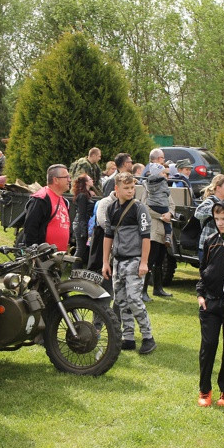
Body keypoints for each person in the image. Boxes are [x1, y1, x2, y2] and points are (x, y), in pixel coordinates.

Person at [102, 172, 155, 354]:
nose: (131, 191)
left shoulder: (139, 208)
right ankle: (129, 337)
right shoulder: (111, 209)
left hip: (134, 260)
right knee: (121, 300)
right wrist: (105, 262)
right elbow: (108, 236)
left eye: (132, 187)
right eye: (126, 188)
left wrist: (144, 262)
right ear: (116, 189)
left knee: (134, 299)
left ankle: (148, 337)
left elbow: (146, 237)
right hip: (118, 261)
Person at [196, 198, 224, 408]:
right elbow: (203, 271)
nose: (220, 222)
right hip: (210, 304)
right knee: (208, 346)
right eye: (217, 218)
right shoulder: (211, 241)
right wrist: (200, 295)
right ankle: (205, 390)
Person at [22, 164, 71, 251]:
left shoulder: (64, 201)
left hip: (58, 257)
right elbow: (30, 228)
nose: (69, 180)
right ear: (56, 180)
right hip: (43, 258)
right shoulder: (41, 199)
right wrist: (35, 255)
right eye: (66, 177)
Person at [194, 175, 224, 262]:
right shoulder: (210, 201)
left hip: (223, 247)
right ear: (218, 188)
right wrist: (217, 209)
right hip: (209, 247)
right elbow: (198, 213)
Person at [144, 148, 173, 247]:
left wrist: (170, 213)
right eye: (164, 173)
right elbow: (145, 206)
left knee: (161, 259)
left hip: (164, 233)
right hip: (153, 231)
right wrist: (162, 216)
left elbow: (171, 203)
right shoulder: (148, 184)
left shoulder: (163, 185)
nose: (165, 176)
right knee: (151, 259)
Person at [72, 174, 96, 269]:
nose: (92, 180)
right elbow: (82, 214)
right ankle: (75, 271)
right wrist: (83, 230)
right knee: (80, 249)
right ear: (86, 182)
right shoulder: (82, 196)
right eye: (90, 178)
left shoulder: (86, 194)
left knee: (82, 249)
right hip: (80, 224)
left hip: (83, 223)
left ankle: (78, 270)